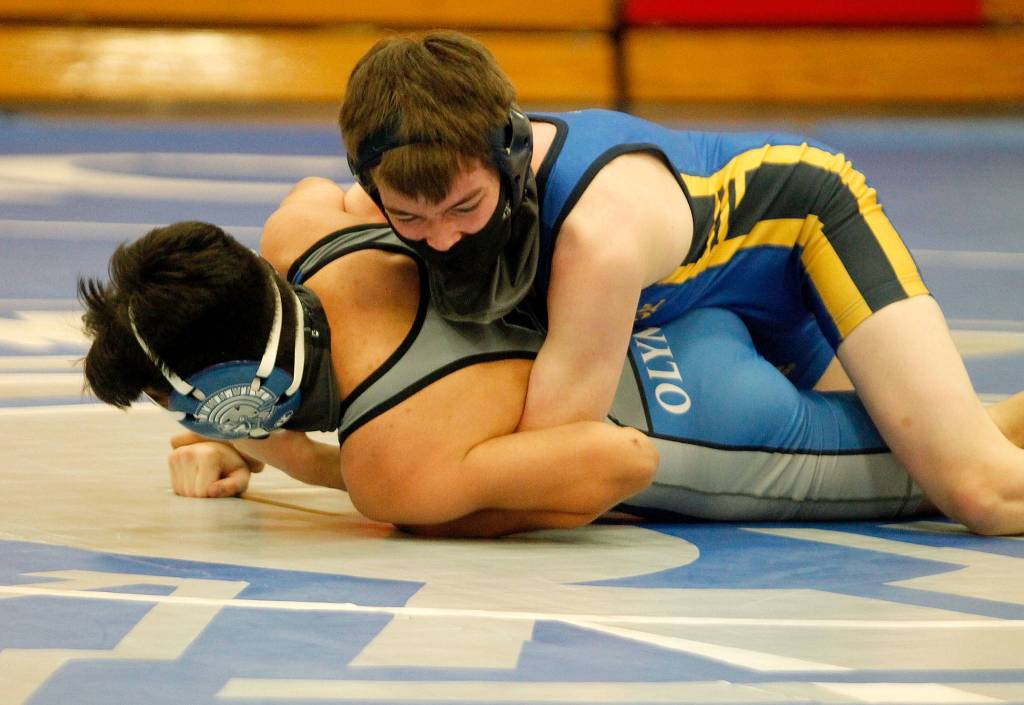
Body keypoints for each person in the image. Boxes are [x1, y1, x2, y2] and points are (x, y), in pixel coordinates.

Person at [309, 30, 1024, 536]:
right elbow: (298, 280)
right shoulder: (386, 188)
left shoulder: (599, 237)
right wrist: (253, 416)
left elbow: (553, 454)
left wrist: (346, 470)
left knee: (976, 486)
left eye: (466, 207)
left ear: (513, 156)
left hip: (805, 234)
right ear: (372, 186)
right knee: (908, 452)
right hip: (691, 298)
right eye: (409, 217)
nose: (441, 238)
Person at [80, 180, 1024, 536]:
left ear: (237, 393)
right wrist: (259, 438)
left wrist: (431, 498)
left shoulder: (388, 466)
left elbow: (621, 463)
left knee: (989, 477)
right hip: (687, 285)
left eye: (191, 408)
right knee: (971, 430)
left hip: (699, 416)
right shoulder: (307, 226)